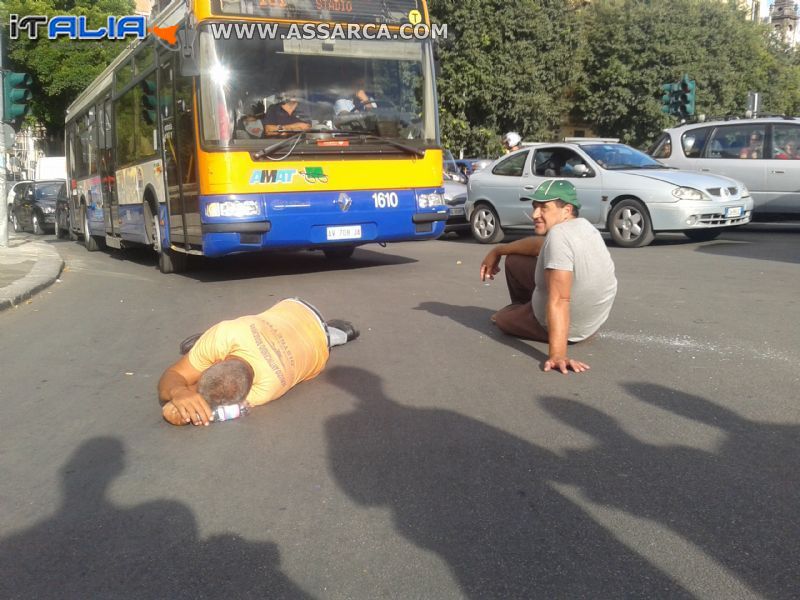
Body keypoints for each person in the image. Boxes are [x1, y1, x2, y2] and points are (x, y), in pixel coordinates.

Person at [479, 180, 617, 374]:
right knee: (515, 260)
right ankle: (526, 309)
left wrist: (558, 354)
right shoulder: (582, 226)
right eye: (535, 207)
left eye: (544, 208)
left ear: (566, 210)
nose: (535, 214)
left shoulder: (559, 235)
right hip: (592, 320)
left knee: (502, 320)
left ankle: (530, 317)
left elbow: (560, 299)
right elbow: (537, 246)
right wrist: (499, 250)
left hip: (573, 328)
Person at [158, 298, 358, 426]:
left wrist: (179, 399)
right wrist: (180, 393)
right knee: (215, 341)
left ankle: (337, 333)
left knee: (328, 338)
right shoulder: (229, 333)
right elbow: (184, 382)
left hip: (318, 336)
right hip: (294, 308)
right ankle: (201, 346)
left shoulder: (265, 389)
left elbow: (182, 380)